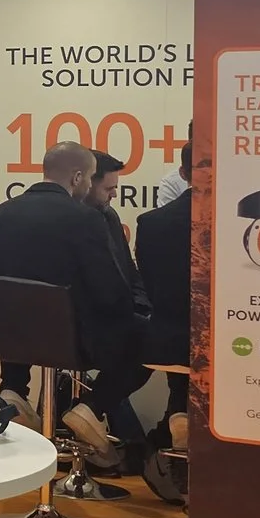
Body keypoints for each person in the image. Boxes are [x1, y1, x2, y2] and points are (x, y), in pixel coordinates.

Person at [0, 141, 143, 466]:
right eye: (91, 178)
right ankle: (91, 408)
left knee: (26, 317)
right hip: (72, 344)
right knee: (146, 338)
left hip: (8, 341)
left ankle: (13, 391)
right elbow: (111, 293)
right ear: (78, 177)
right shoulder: (86, 220)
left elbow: (1, 289)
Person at [82, 150, 154, 466]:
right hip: (85, 323)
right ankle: (92, 408)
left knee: (153, 334)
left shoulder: (108, 216)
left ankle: (91, 408)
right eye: (108, 189)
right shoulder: (72, 223)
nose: (114, 195)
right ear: (85, 182)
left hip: (119, 313)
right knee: (148, 341)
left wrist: (141, 306)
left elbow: (128, 270)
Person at [132, 142, 193, 502]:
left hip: (167, 339)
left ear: (183, 173)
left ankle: (179, 414)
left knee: (181, 383)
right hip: (227, 344)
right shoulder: (237, 221)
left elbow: (151, 285)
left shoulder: (151, 224)